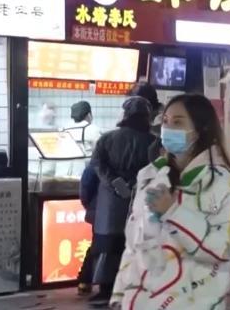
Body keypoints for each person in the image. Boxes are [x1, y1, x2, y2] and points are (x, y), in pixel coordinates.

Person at [110, 94, 230, 309]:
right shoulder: (149, 176)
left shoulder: (225, 185)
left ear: (200, 129)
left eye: (178, 122)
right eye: (165, 121)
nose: (168, 129)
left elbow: (223, 250)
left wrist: (173, 212)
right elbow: (133, 245)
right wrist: (119, 296)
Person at [89, 97, 157, 306]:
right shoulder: (154, 141)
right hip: (141, 197)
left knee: (108, 245)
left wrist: (114, 182)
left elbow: (97, 165)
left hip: (110, 202)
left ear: (125, 115)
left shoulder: (107, 139)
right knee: (136, 242)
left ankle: (105, 288)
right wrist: (135, 183)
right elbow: (158, 167)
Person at [76, 164, 100, 296]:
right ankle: (85, 279)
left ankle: (85, 280)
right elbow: (85, 192)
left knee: (97, 243)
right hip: (100, 211)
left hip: (98, 210)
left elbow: (85, 191)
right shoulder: (96, 166)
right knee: (98, 244)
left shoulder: (95, 166)